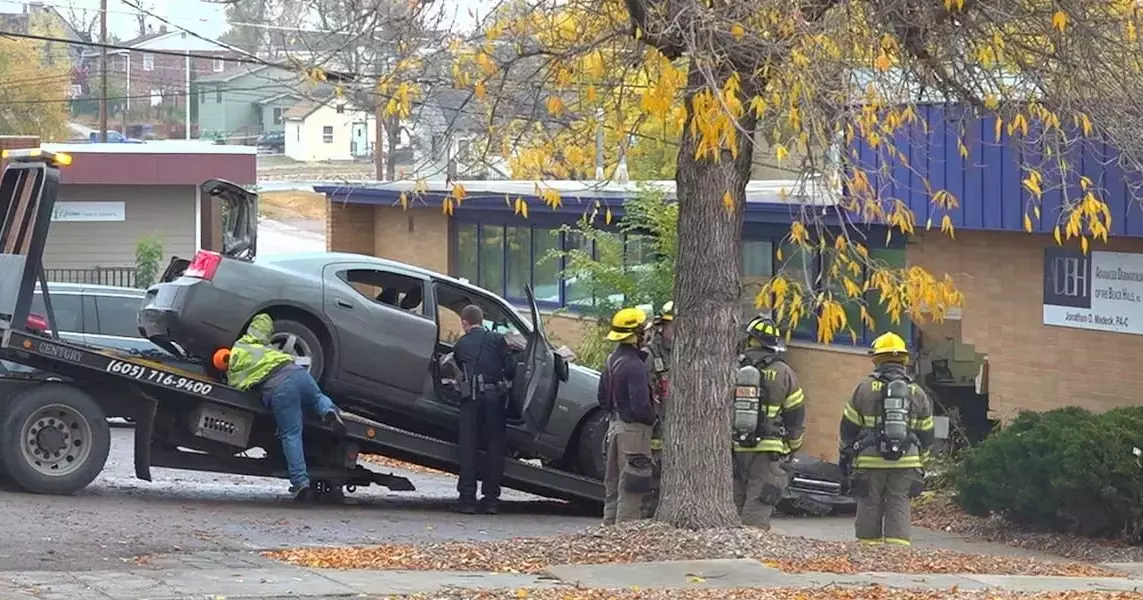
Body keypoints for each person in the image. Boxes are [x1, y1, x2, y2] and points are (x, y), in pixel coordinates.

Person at [225, 313, 346, 502]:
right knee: (317, 397)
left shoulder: (240, 349)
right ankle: (327, 411)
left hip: (280, 387)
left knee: (291, 434)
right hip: (298, 373)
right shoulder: (269, 349)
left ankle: (300, 483)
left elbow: (236, 381)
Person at [838, 332, 936, 546]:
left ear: (876, 358)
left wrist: (847, 454)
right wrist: (921, 460)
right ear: (904, 359)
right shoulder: (916, 392)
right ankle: (896, 555)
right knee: (899, 503)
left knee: (868, 503)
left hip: (869, 461)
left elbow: (848, 428)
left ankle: (867, 551)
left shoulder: (863, 389)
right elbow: (926, 433)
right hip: (906, 462)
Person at [731, 315, 806, 530]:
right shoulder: (784, 372)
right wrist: (794, 446)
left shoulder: (732, 367)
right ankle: (751, 548)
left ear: (751, 339)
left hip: (734, 447)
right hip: (769, 450)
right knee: (760, 499)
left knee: (736, 498)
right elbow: (796, 413)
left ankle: (732, 545)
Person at [451, 304, 516, 515]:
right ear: (482, 319)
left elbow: (460, 367)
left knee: (468, 448)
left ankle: (467, 500)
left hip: (471, 399)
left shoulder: (461, 344)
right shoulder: (498, 340)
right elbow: (511, 369)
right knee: (494, 449)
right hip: (494, 399)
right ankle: (490, 500)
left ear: (464, 323)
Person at [599, 307, 656, 525]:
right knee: (634, 484)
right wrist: (652, 419)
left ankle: (609, 527)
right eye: (644, 330)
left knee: (613, 484)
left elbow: (601, 397)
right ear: (637, 334)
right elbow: (640, 405)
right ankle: (625, 531)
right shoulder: (635, 366)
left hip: (614, 427)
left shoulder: (611, 360)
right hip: (633, 432)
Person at [641, 300, 674, 518]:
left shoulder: (691, 354)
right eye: (674, 327)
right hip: (656, 433)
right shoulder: (650, 355)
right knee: (651, 485)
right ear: (662, 327)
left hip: (678, 435)